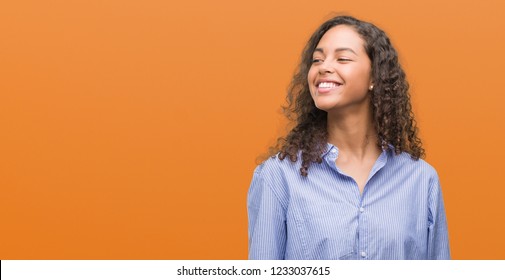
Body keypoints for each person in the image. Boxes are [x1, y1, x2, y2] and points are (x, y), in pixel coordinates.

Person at [247, 15, 450, 260]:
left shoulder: (421, 180)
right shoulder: (278, 177)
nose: (324, 67)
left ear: (375, 77)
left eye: (342, 58)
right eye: (317, 60)